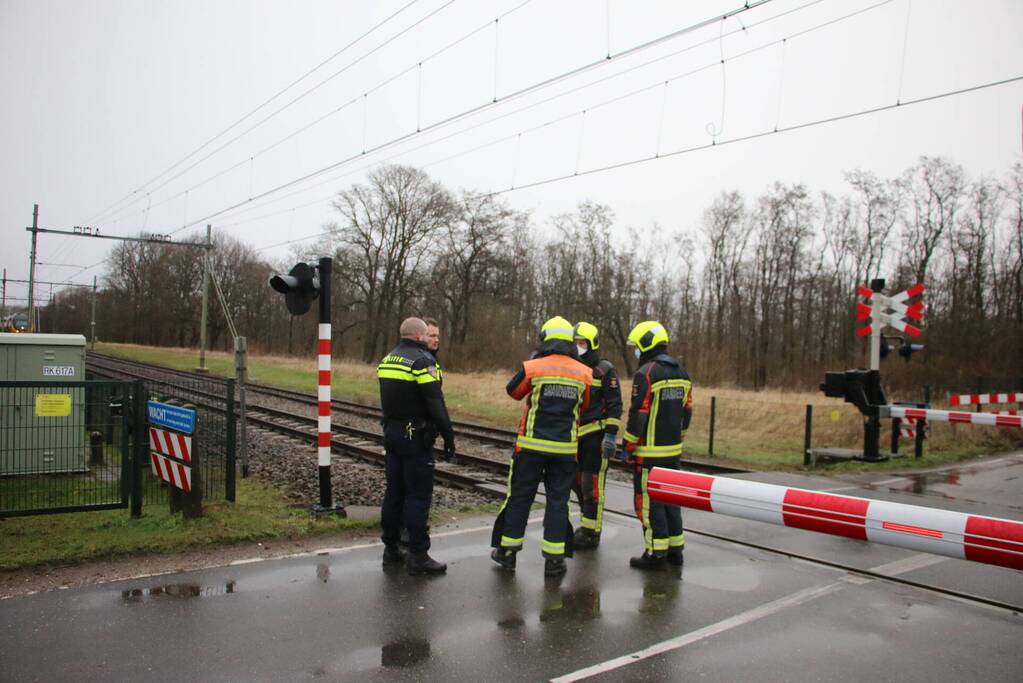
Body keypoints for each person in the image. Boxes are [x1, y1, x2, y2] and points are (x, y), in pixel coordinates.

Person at [491, 316, 592, 577]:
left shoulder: (533, 367)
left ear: (544, 339)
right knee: (558, 502)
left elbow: (513, 391)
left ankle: (507, 552)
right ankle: (554, 561)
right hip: (564, 450)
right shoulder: (584, 372)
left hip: (530, 447)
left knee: (520, 498)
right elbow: (585, 405)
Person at [377, 317, 456, 575]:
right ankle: (418, 555)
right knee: (418, 496)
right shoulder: (423, 362)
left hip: (392, 434)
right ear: (420, 336)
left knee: (394, 493)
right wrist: (448, 435)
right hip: (416, 437)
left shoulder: (387, 360)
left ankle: (391, 548)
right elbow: (435, 402)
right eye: (428, 335)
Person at [620, 320, 693, 570]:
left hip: (649, 454)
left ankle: (655, 553)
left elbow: (639, 413)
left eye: (637, 346)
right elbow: (688, 410)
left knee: (649, 503)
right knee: (671, 500)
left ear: (645, 344)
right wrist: (680, 437)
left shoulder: (646, 373)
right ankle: (675, 550)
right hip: (673, 452)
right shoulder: (682, 372)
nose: (636, 351)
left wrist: (628, 446)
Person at [571, 321, 623, 549]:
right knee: (575, 482)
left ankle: (592, 532)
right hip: (574, 436)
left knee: (591, 486)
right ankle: (586, 523)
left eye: (582, 343)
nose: (578, 347)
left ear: (591, 344)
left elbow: (615, 404)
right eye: (575, 342)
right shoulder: (571, 366)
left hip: (595, 435)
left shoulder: (604, 369)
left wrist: (610, 436)